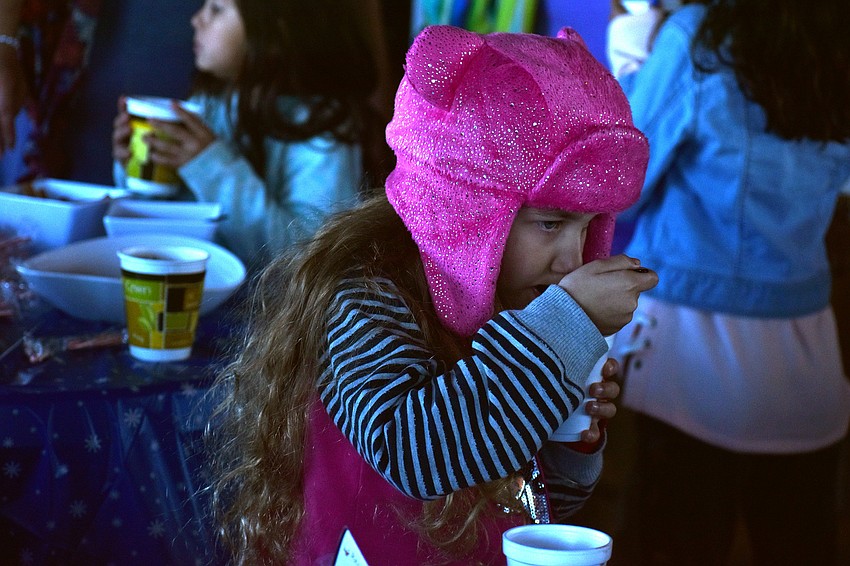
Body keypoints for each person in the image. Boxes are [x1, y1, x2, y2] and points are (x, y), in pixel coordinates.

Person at [204, 24, 658, 565]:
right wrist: (563, 331)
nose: (572, 258)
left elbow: (522, 504)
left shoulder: (514, 304)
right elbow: (413, 452)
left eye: (587, 228)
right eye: (551, 223)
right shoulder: (367, 296)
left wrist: (567, 435)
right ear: (465, 208)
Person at [607, 1, 850, 564]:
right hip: (807, 355)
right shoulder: (837, 43)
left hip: (686, 356)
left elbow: (623, 181)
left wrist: (633, 51)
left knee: (668, 545)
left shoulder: (701, 38)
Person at [111, 0, 380, 270]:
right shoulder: (210, 103)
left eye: (216, 9)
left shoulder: (324, 127)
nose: (196, 20)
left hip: (273, 309)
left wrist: (212, 167)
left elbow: (311, 256)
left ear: (277, 25)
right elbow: (176, 224)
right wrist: (141, 168)